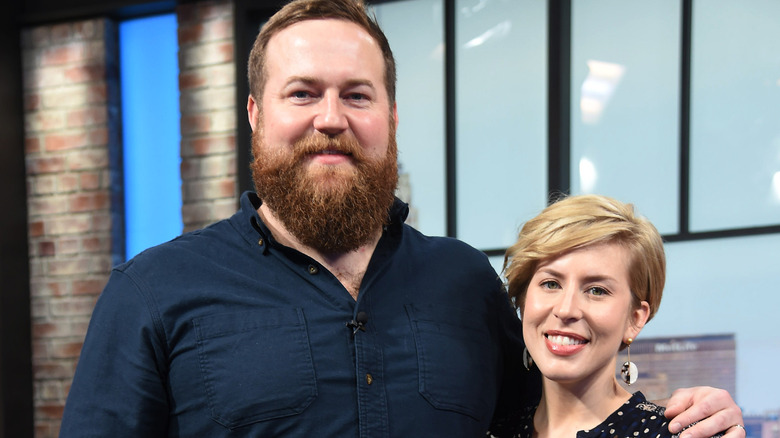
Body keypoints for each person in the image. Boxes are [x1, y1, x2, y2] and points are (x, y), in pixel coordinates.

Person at [59, 0, 744, 436]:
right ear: (256, 115)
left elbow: (558, 408)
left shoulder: (464, 280)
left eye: (357, 95)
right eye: (303, 93)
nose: (331, 119)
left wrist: (686, 415)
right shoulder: (152, 292)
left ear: (390, 117)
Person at [490, 194, 744, 438]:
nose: (566, 310)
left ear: (635, 319)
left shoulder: (684, 435)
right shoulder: (486, 430)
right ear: (523, 300)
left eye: (596, 290)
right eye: (551, 284)